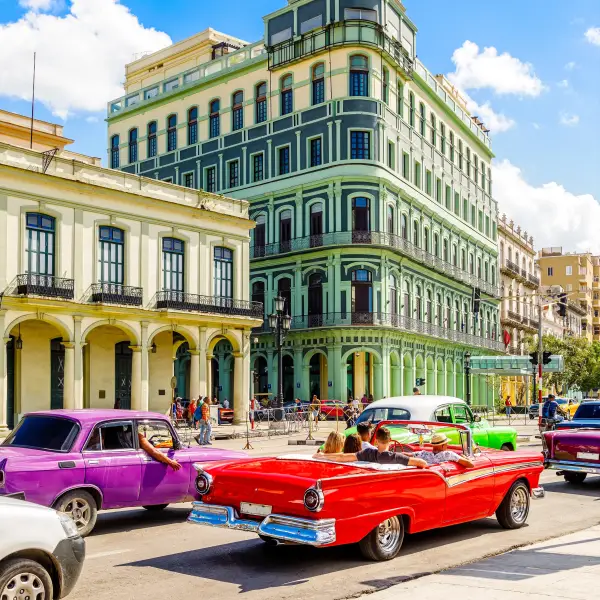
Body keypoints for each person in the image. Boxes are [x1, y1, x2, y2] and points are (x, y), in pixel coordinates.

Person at [317, 426, 428, 468]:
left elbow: (342, 457)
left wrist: (322, 456)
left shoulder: (367, 453)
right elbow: (423, 463)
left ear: (376, 441)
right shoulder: (396, 457)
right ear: (390, 440)